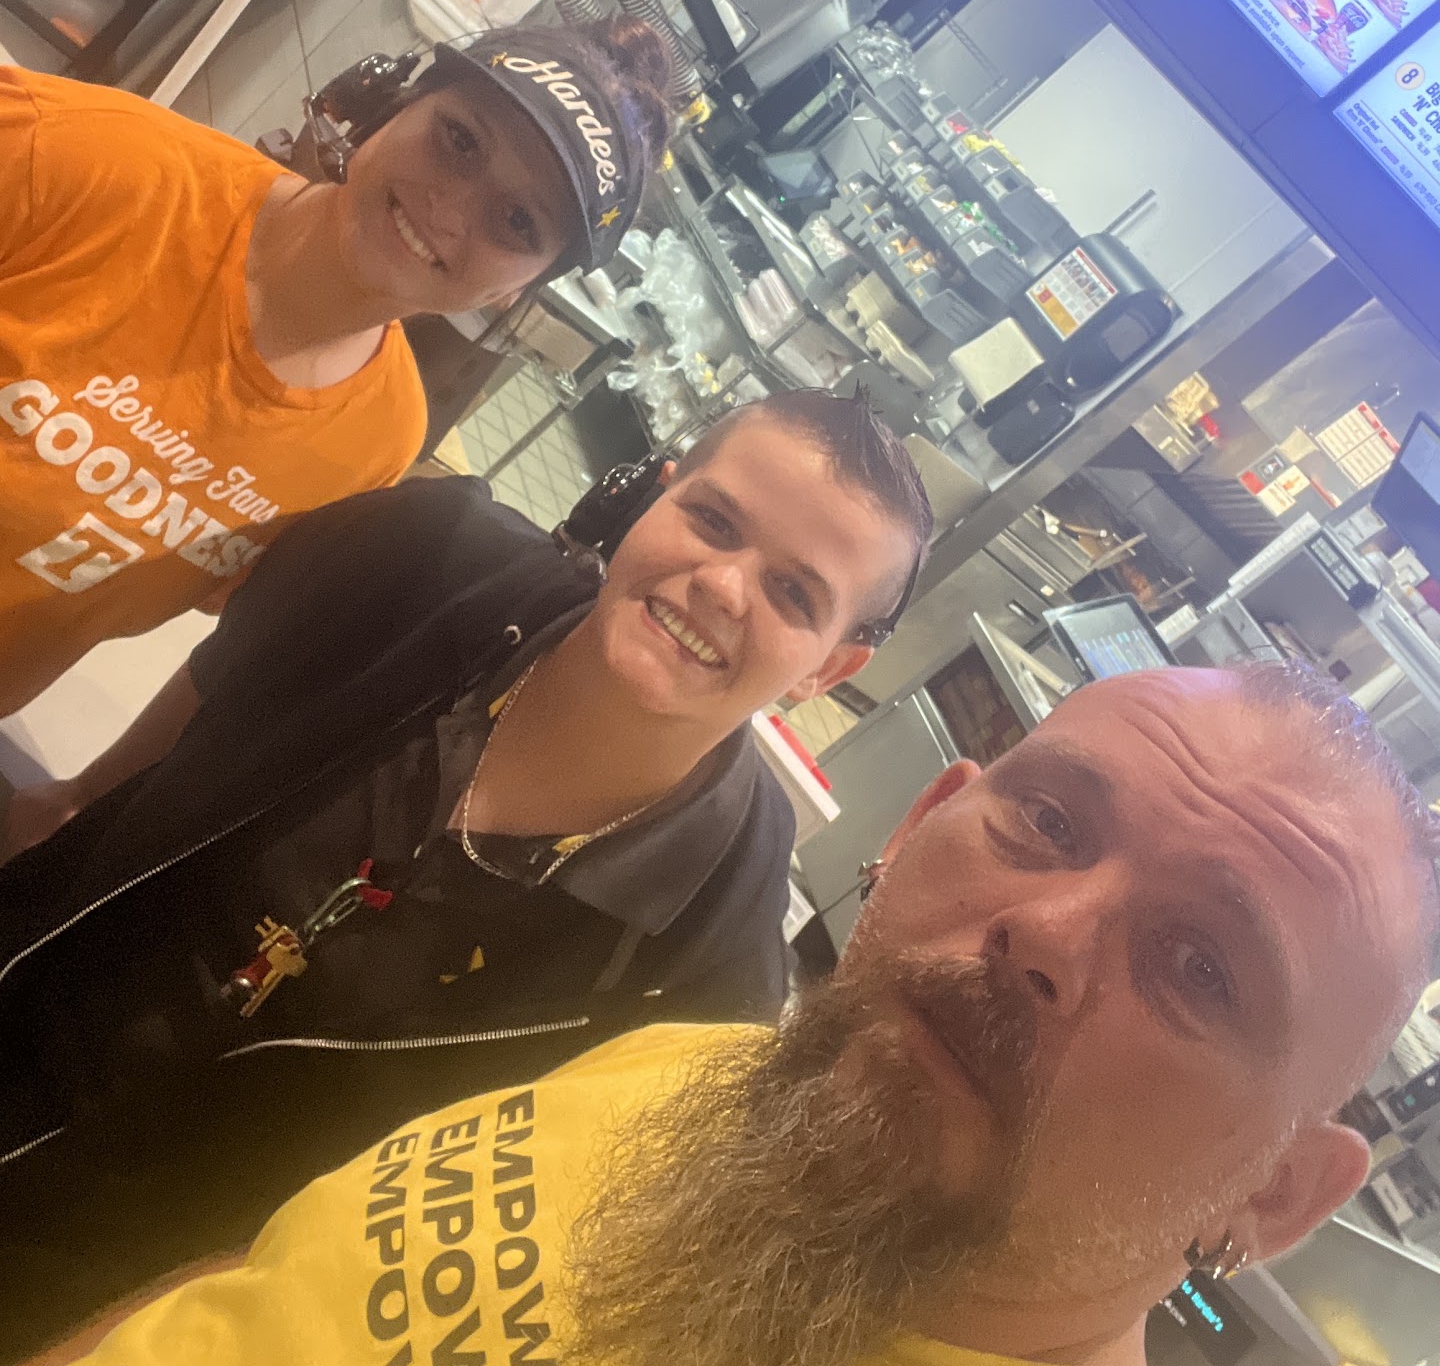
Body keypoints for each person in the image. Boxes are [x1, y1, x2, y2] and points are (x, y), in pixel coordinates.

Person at [27, 662, 1439, 1366]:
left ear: (1275, 1194)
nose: (1047, 936)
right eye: (1053, 822)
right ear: (920, 823)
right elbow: (275, 1278)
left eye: (1202, 968)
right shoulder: (705, 1063)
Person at [0, 389, 931, 1355]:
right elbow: (225, 676)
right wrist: (76, 797)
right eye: (713, 519)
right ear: (655, 494)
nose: (725, 587)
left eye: (794, 595)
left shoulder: (703, 978)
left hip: (118, 1307)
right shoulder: (421, 559)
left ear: (828, 668)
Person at [0, 17, 674, 747]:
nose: (450, 209)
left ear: (520, 288)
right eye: (460, 140)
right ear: (396, 104)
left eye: (517, 219)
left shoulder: (379, 437)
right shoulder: (86, 156)